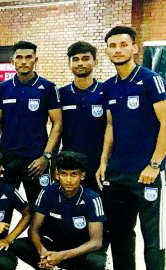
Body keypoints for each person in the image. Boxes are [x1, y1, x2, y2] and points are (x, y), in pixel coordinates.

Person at [97, 25, 166, 270]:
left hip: (146, 174)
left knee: (153, 237)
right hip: (117, 173)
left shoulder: (152, 80)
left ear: (134, 48)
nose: (117, 50)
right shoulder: (110, 86)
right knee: (121, 231)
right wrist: (103, 162)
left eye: (123, 44)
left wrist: (155, 164)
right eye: (112, 45)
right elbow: (111, 127)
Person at [11, 151, 105, 270]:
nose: (68, 180)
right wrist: (42, 251)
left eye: (74, 174)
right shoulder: (47, 192)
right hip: (55, 247)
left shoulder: (92, 198)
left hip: (81, 252)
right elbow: (34, 230)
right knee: (19, 246)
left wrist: (62, 256)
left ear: (82, 176)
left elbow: (96, 242)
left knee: (98, 262)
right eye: (64, 174)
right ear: (56, 175)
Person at [0, 40, 62, 205]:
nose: (24, 61)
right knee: (1, 207)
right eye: (19, 57)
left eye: (28, 57)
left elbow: (57, 124)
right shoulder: (2, 88)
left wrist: (46, 156)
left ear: (35, 60)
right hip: (8, 158)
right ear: (12, 61)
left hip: (36, 160)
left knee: (40, 209)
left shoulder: (48, 88)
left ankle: (37, 232)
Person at [58, 41, 106, 192]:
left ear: (95, 62)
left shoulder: (106, 92)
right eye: (75, 59)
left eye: (86, 59)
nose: (80, 63)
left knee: (99, 211)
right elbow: (56, 129)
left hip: (99, 165)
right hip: (70, 167)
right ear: (69, 63)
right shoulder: (61, 94)